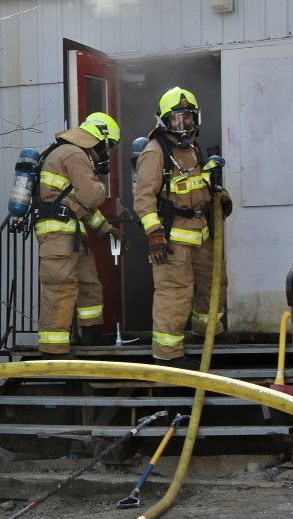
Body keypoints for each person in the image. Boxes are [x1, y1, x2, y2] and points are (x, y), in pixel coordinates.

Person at [134, 87, 233, 368]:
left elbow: (199, 185)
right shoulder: (155, 152)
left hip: (202, 232)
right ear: (164, 121)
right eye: (176, 119)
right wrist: (154, 234)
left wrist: (221, 196)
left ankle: (208, 333)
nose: (183, 124)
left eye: (187, 118)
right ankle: (168, 355)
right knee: (175, 293)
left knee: (213, 284)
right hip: (173, 238)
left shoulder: (193, 149)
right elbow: (143, 198)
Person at [35, 112, 124, 356]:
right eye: (108, 146)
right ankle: (53, 351)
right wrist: (100, 183)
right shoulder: (75, 155)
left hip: (70, 234)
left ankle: (92, 336)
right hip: (59, 237)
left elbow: (78, 205)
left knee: (89, 284)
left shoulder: (69, 153)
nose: (107, 153)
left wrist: (105, 229)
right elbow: (91, 197)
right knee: (60, 289)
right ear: (100, 139)